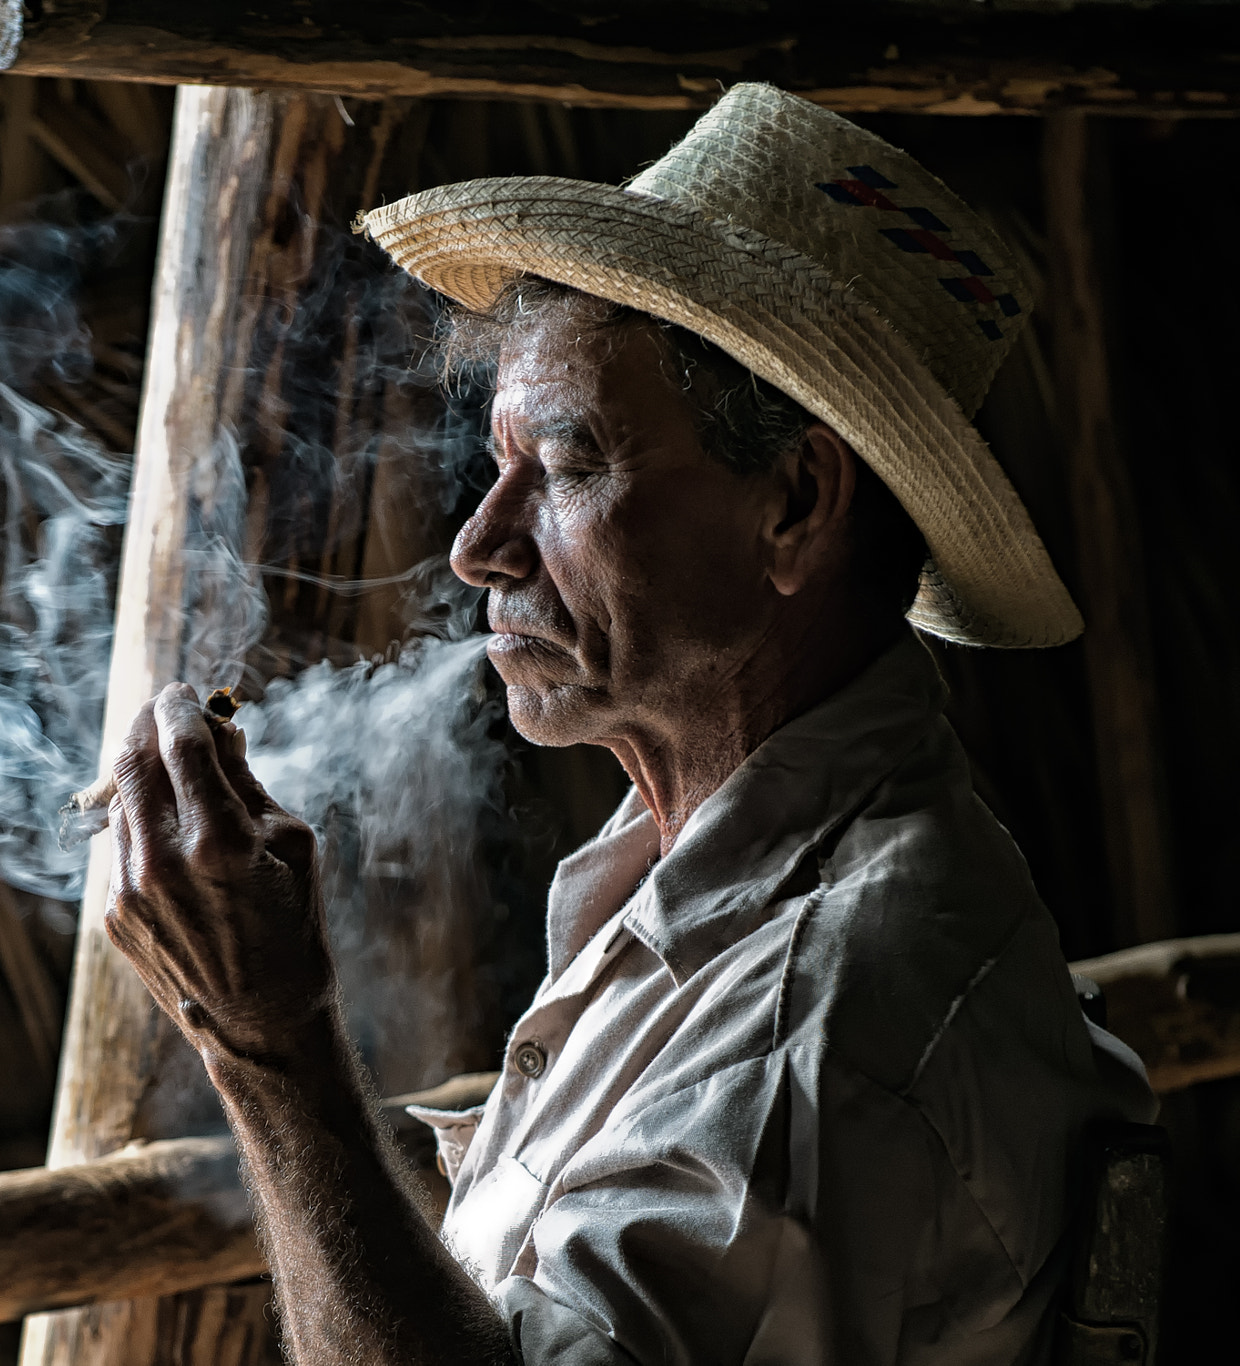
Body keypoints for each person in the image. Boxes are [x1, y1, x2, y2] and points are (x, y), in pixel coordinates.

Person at [100, 83, 1155, 1365]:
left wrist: (267, 1048)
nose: (478, 545)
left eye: (568, 466)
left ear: (792, 505)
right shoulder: (718, 884)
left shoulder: (811, 1024)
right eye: (497, 469)